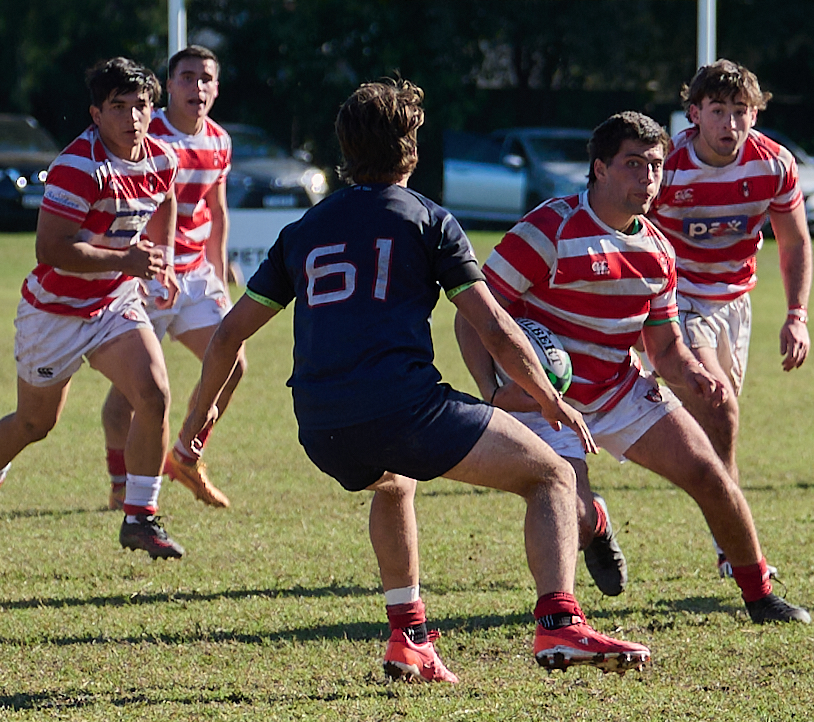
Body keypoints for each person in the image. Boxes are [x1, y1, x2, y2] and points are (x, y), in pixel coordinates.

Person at [177, 78, 651, 682]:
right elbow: (495, 327)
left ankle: (411, 640)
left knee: (393, 483)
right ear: (412, 149)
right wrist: (549, 399)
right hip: (404, 408)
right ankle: (559, 624)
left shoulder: (305, 229)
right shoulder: (428, 219)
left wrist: (198, 420)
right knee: (552, 475)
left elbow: (226, 335)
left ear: (343, 151)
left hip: (320, 426)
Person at [457, 110, 811, 624]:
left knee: (710, 473)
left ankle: (759, 596)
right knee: (571, 518)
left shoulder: (659, 253)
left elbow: (664, 349)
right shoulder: (549, 228)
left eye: (656, 166)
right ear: (600, 168)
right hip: (544, 401)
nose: (648, 179)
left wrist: (693, 375)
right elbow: (473, 315)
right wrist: (493, 391)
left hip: (618, 389)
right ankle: (596, 523)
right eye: (634, 164)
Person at [0, 57, 186, 568]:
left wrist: (157, 263)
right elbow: (51, 250)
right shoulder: (78, 166)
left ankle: (139, 514)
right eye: (118, 107)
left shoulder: (162, 158)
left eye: (141, 106)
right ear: (95, 114)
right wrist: (130, 259)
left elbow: (164, 200)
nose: (133, 118)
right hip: (55, 313)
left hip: (112, 303)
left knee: (154, 393)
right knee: (35, 424)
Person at [647, 59, 813, 577]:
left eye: (741, 112)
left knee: (719, 419)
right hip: (674, 299)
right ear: (694, 114)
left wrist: (797, 315)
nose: (730, 124)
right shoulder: (667, 166)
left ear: (756, 115)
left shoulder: (774, 164)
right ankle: (734, 547)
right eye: (718, 111)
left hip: (734, 304)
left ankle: (723, 524)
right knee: (721, 409)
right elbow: (630, 231)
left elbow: (794, 241)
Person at [101, 45, 238, 511]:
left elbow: (215, 210)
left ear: (216, 88)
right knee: (131, 394)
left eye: (205, 78)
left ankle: (184, 454)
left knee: (232, 361)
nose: (196, 87)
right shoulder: (144, 130)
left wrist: (219, 275)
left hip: (196, 273)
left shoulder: (219, 140)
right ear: (169, 84)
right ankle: (121, 481)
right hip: (147, 274)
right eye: (186, 77)